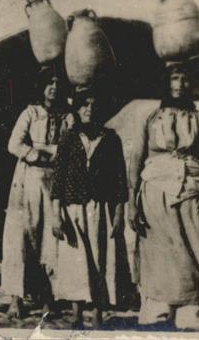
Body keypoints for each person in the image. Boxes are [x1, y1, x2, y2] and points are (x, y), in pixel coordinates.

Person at [127, 63, 199, 329]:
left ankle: (192, 313)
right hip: (154, 194)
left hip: (192, 191)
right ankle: (159, 311)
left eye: (184, 79)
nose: (180, 84)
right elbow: (136, 160)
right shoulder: (151, 118)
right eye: (174, 78)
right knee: (159, 253)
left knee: (193, 249)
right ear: (166, 83)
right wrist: (131, 204)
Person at [50, 87, 130, 329]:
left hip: (100, 208)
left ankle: (97, 315)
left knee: (100, 261)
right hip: (73, 208)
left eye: (94, 106)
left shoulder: (111, 139)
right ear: (77, 109)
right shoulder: (68, 137)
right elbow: (58, 178)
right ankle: (76, 316)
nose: (89, 109)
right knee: (75, 262)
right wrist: (56, 213)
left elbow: (119, 179)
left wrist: (119, 214)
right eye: (84, 105)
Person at [1, 65, 75, 319]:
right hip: (27, 181)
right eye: (49, 83)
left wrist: (56, 155)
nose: (53, 87)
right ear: (41, 86)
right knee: (22, 237)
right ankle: (16, 299)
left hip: (54, 181)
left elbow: (72, 147)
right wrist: (35, 154)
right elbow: (14, 143)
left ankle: (48, 297)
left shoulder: (67, 117)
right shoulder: (31, 113)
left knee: (51, 239)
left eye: (57, 83)